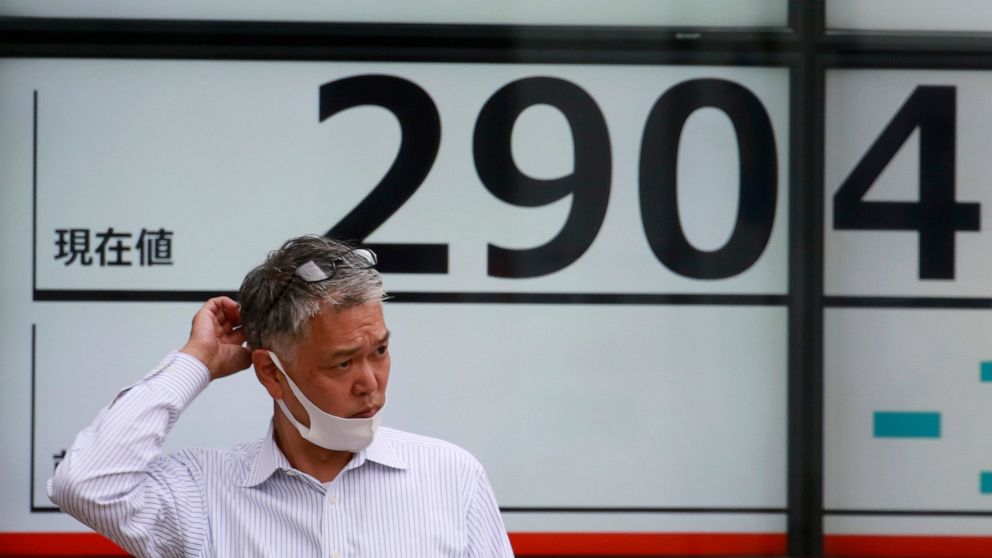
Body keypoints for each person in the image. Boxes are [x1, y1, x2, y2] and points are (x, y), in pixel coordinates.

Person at [48, 235, 514, 557]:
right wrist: (196, 361)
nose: (370, 382)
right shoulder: (204, 494)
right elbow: (86, 484)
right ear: (271, 373)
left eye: (380, 351)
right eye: (342, 363)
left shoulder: (451, 476)